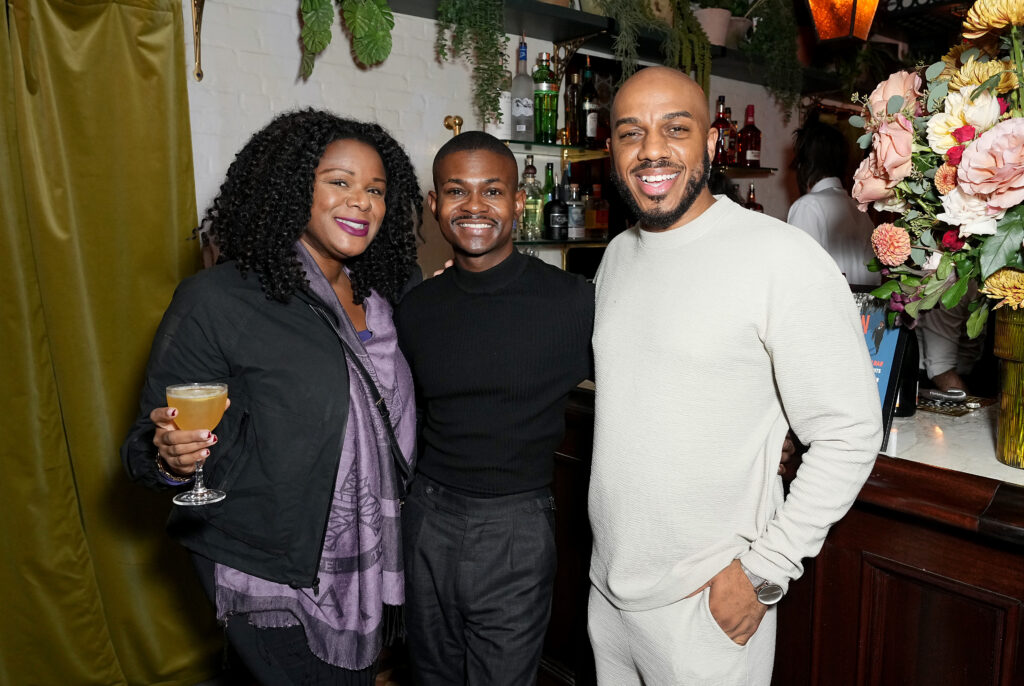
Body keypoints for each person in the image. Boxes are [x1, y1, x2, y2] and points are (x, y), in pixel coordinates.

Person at [587, 66, 883, 685]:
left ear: (712, 143)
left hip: (708, 606)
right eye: (630, 132)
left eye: (676, 128)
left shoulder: (780, 256)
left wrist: (765, 572)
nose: (652, 151)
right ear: (610, 147)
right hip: (608, 594)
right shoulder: (617, 256)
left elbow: (850, 432)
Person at [120, 109, 422, 685]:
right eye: (339, 182)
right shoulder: (219, 299)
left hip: (369, 563)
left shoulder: (387, 298)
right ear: (291, 187)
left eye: (376, 190)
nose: (362, 202)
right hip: (264, 570)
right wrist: (169, 456)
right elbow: (142, 447)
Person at [393, 131, 594, 685]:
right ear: (434, 205)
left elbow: (656, 384)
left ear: (519, 201)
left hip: (515, 527)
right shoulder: (415, 308)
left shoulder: (574, 302)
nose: (475, 207)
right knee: (432, 676)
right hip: (426, 517)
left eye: (493, 191)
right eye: (456, 191)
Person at [787, 118, 879, 287]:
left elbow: (800, 279)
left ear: (803, 164)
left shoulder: (807, 207)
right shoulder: (859, 211)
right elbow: (874, 277)